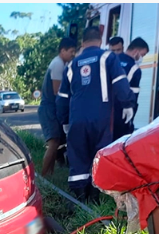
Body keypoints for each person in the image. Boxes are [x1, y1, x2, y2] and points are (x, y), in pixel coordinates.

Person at [57, 26, 136, 203]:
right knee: (99, 155)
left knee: (78, 156)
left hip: (76, 119)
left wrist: (64, 121)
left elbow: (62, 98)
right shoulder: (108, 57)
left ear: (83, 43)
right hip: (101, 119)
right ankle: (96, 196)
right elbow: (121, 84)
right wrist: (128, 104)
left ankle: (79, 199)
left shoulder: (71, 65)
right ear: (100, 41)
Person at [38, 37, 77, 176]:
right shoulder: (58, 64)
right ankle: (43, 177)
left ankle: (50, 175)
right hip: (48, 109)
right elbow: (57, 91)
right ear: (63, 50)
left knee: (57, 143)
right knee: (53, 143)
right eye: (71, 51)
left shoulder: (61, 64)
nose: (73, 54)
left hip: (52, 109)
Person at [113, 37, 150, 140]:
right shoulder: (134, 69)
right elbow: (133, 97)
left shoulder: (113, 60)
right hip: (120, 112)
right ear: (135, 51)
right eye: (142, 55)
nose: (141, 58)